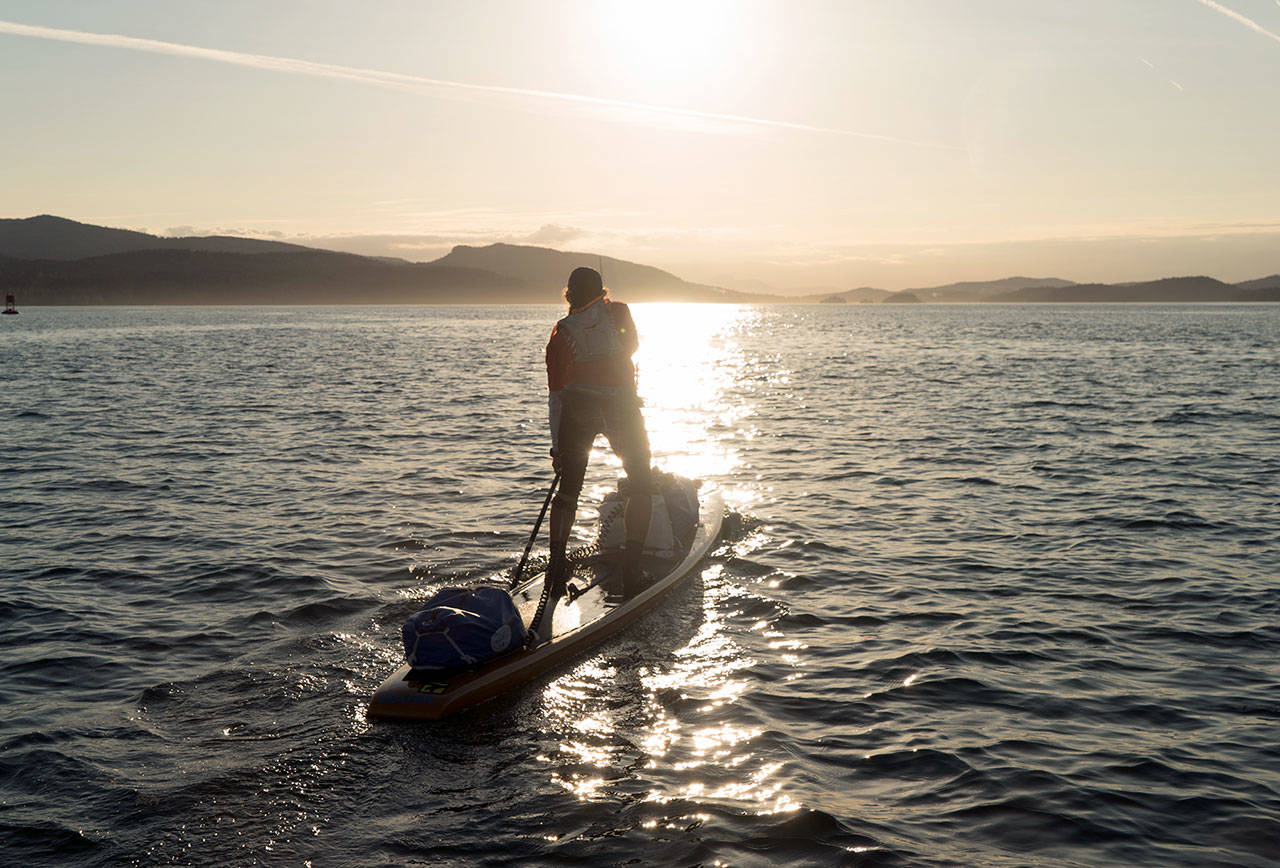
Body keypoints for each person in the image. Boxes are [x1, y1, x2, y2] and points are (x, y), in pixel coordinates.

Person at [544, 266, 653, 604]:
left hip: (577, 412)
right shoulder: (619, 312)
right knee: (641, 485)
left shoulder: (560, 333)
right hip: (621, 408)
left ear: (569, 294)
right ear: (601, 291)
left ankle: (555, 568)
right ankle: (632, 570)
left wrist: (557, 449)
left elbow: (556, 396)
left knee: (567, 493)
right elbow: (631, 345)